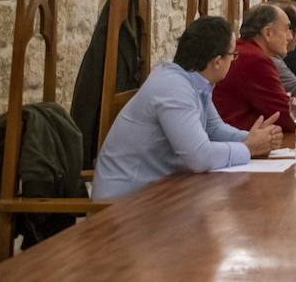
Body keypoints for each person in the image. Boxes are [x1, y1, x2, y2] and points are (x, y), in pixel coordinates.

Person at [93, 16, 281, 199]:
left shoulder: (193, 80)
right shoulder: (173, 87)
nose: (233, 60)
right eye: (233, 55)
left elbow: (214, 129)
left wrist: (255, 138)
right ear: (217, 61)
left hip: (160, 192)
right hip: (124, 205)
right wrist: (248, 148)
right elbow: (199, 157)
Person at [213, 4, 296, 133]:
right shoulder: (255, 59)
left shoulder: (247, 50)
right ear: (268, 33)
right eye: (287, 29)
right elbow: (288, 117)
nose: (290, 37)